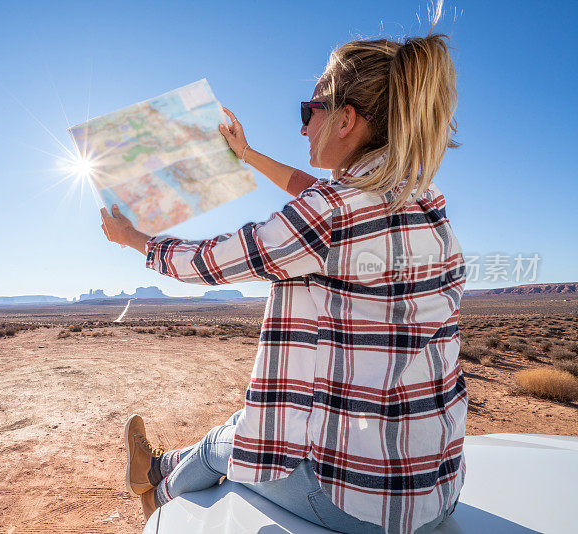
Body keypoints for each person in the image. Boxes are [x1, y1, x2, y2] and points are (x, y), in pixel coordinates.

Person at [102, 31, 467, 534]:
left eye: (308, 110)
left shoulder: (330, 215)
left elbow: (214, 260)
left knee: (230, 439)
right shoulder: (425, 199)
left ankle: (157, 491)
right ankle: (156, 472)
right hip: (437, 492)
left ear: (345, 119)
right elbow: (322, 194)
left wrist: (136, 240)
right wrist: (247, 155)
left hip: (357, 504)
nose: (302, 128)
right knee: (245, 427)